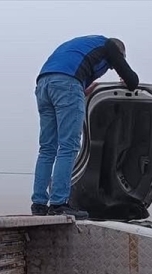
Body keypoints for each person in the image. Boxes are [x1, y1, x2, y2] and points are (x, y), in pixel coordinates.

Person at [31, 36, 140, 218]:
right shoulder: (110, 46)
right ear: (120, 53)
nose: (112, 66)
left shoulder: (86, 44)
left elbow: (70, 66)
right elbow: (132, 81)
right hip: (67, 84)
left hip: (44, 84)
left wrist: (81, 88)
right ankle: (59, 203)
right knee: (69, 146)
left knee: (47, 149)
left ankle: (39, 204)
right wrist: (123, 75)